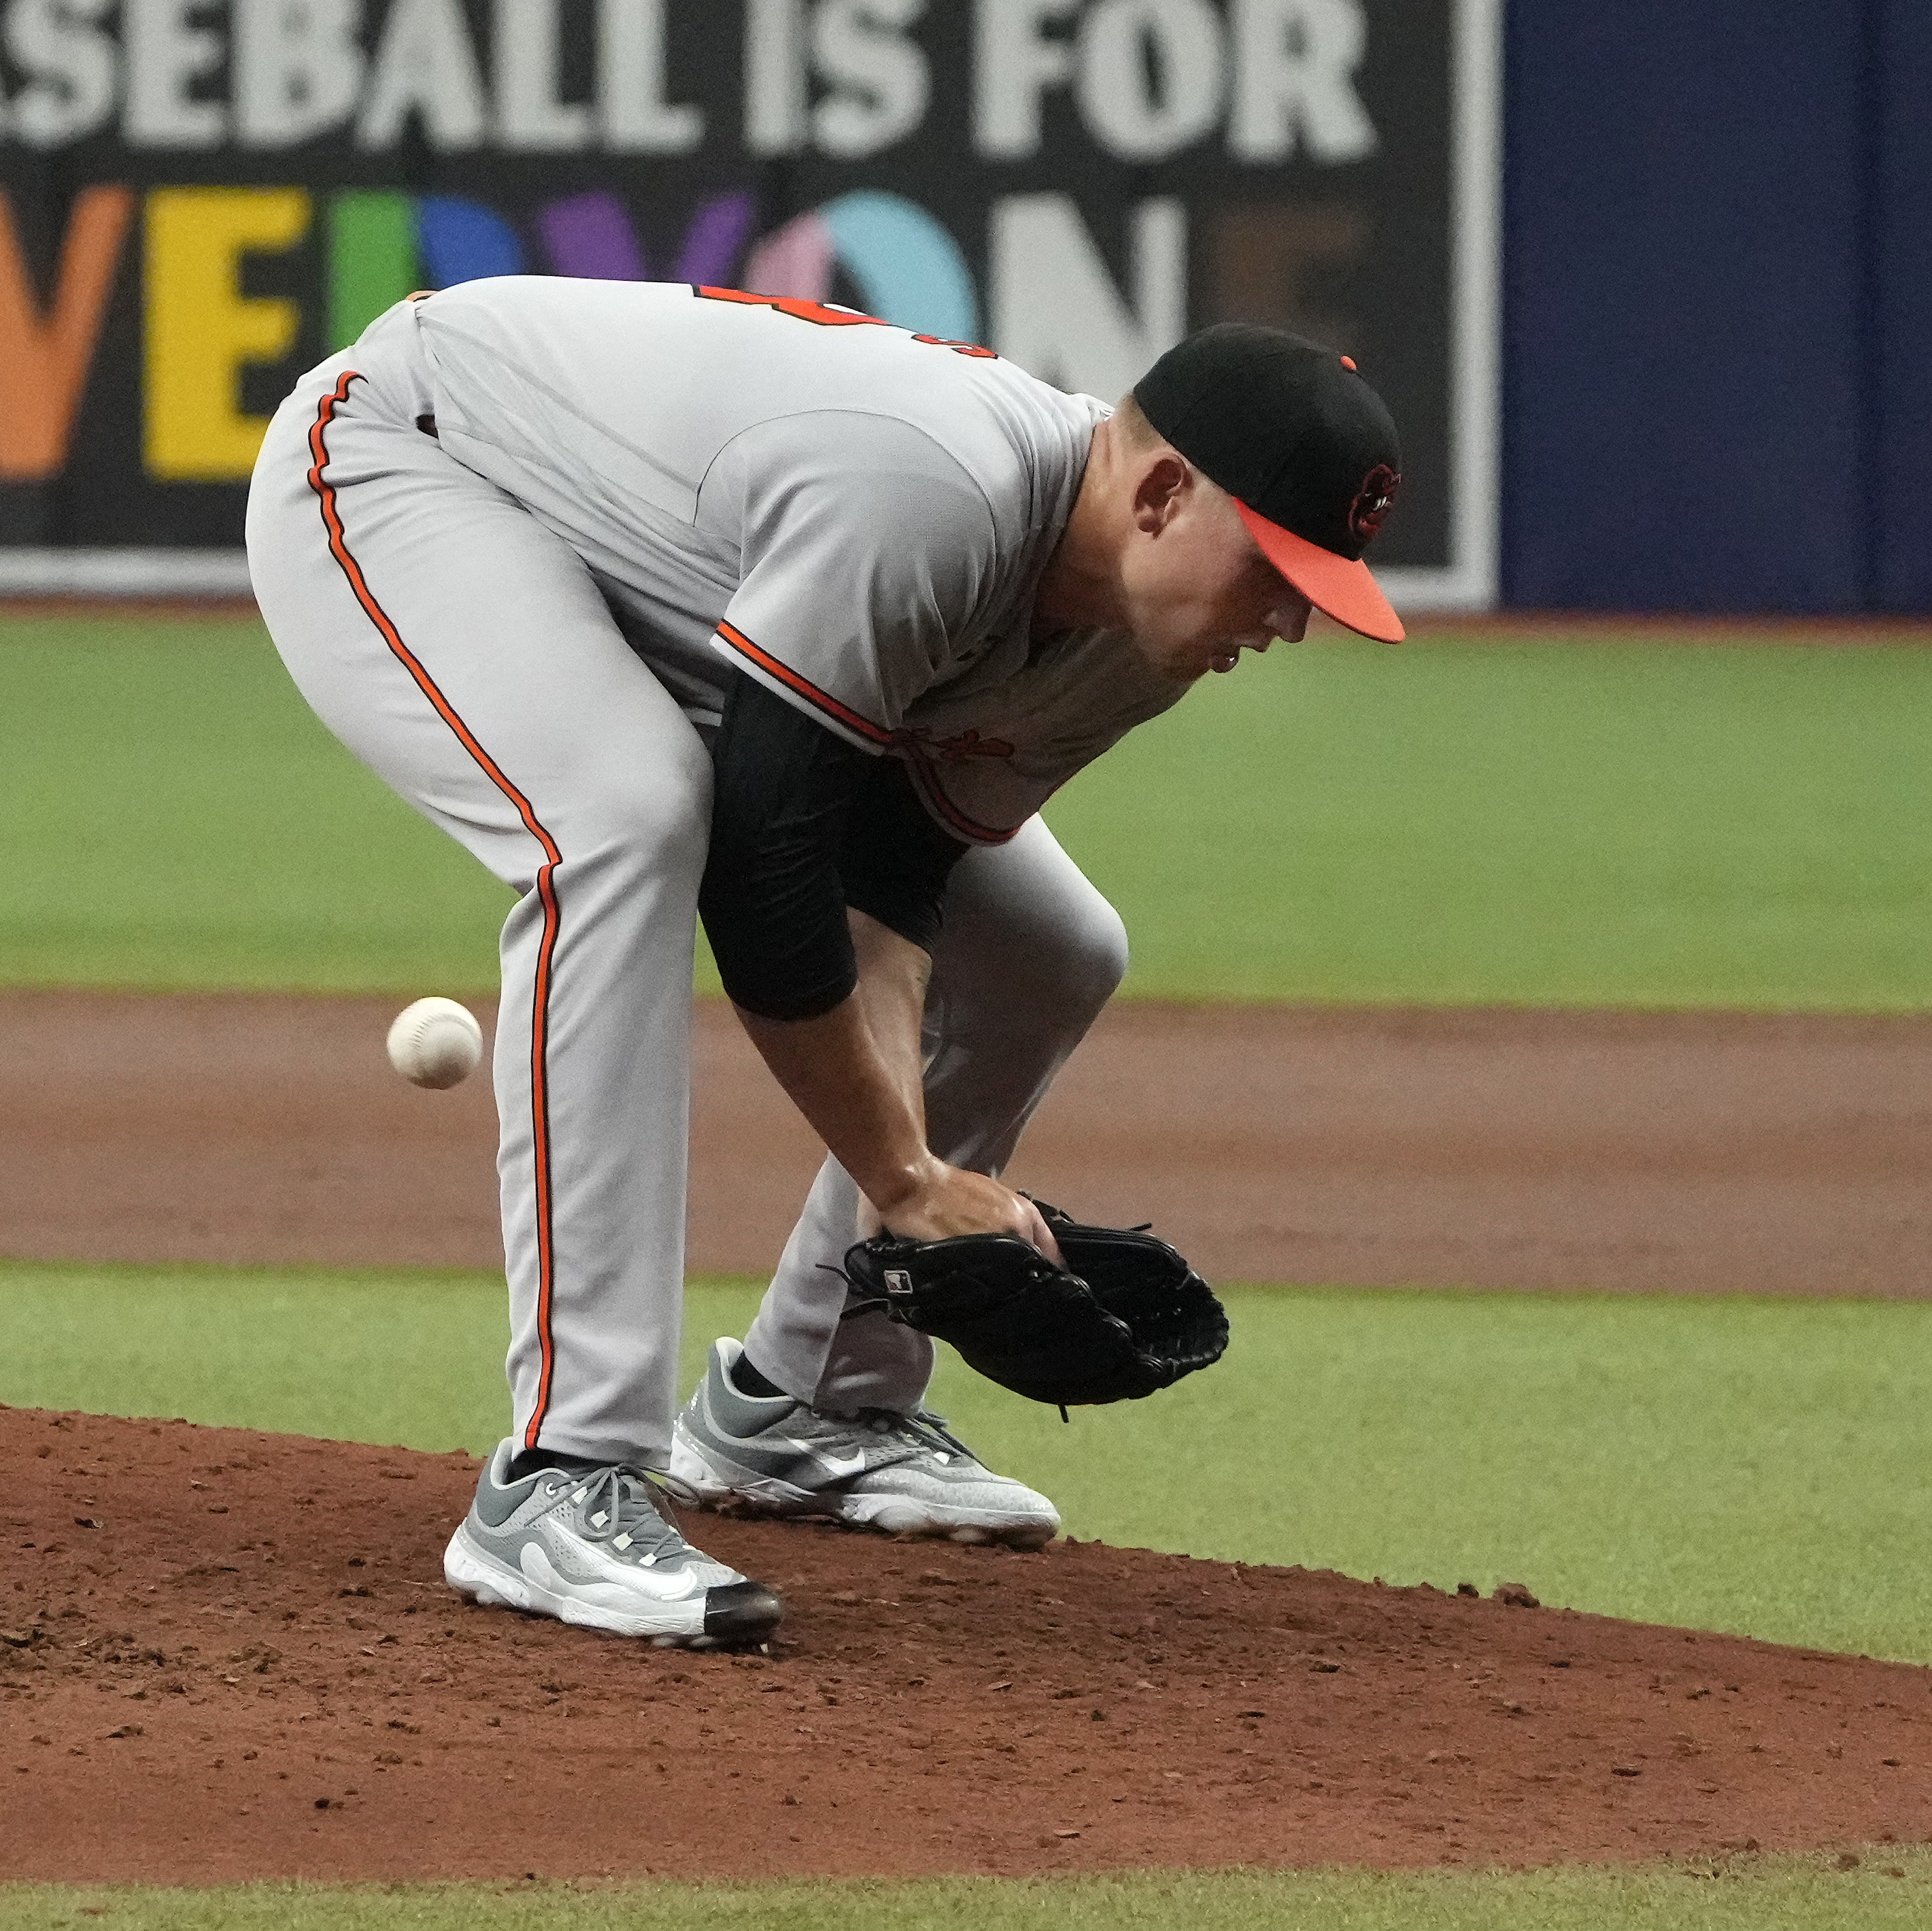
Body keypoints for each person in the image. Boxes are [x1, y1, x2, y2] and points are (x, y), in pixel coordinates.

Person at [244, 277, 1404, 1649]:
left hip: (688, 594)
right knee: (624, 823)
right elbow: (767, 879)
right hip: (414, 461)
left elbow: (891, 881)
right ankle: (560, 1476)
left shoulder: (1141, 643)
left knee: (1052, 949)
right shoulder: (932, 491)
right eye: (1273, 568)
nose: (1285, 620)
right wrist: (907, 1179)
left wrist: (914, 1182)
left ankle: (808, 1399)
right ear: (1157, 495)